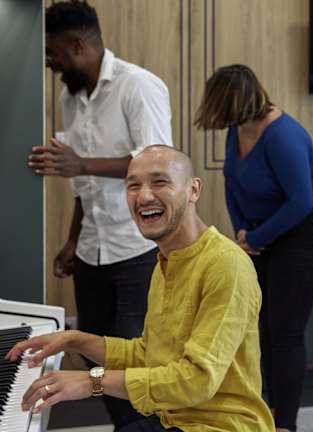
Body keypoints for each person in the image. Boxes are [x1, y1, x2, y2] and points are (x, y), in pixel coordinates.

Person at [8, 146, 275, 432]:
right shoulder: (164, 263)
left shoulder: (226, 264)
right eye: (133, 185)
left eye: (159, 182)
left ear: (193, 190)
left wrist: (92, 381)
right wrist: (74, 339)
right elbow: (149, 353)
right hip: (174, 419)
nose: (144, 196)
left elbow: (198, 379)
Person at [27, 1, 173, 427]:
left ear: (77, 45)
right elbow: (82, 183)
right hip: (92, 252)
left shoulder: (138, 86)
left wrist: (82, 163)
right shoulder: (69, 99)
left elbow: (155, 162)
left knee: (133, 370)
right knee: (94, 359)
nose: (50, 63)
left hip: (136, 251)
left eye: (53, 52)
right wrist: (73, 240)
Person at [193, 64, 313, 432]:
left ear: (235, 102)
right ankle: (267, 410)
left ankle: (285, 423)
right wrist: (242, 231)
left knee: (285, 331)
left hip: (308, 235)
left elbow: (300, 202)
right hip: (264, 236)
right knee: (262, 327)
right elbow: (230, 180)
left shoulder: (283, 136)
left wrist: (254, 239)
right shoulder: (237, 128)